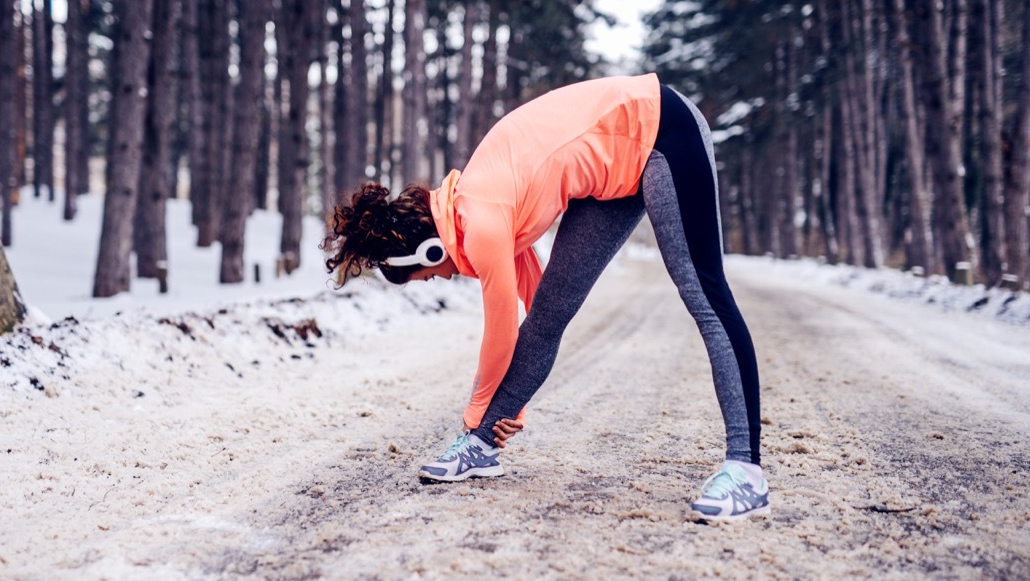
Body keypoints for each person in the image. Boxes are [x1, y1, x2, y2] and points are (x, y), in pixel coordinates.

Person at [323, 73, 768, 522]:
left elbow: (499, 334)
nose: (442, 278)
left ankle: (746, 470)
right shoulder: (473, 209)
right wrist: (506, 410)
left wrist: (477, 409)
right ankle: (480, 448)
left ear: (430, 250)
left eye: (429, 275)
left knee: (703, 292)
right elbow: (541, 311)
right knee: (549, 316)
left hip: (660, 128)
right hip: (611, 170)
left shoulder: (481, 219)